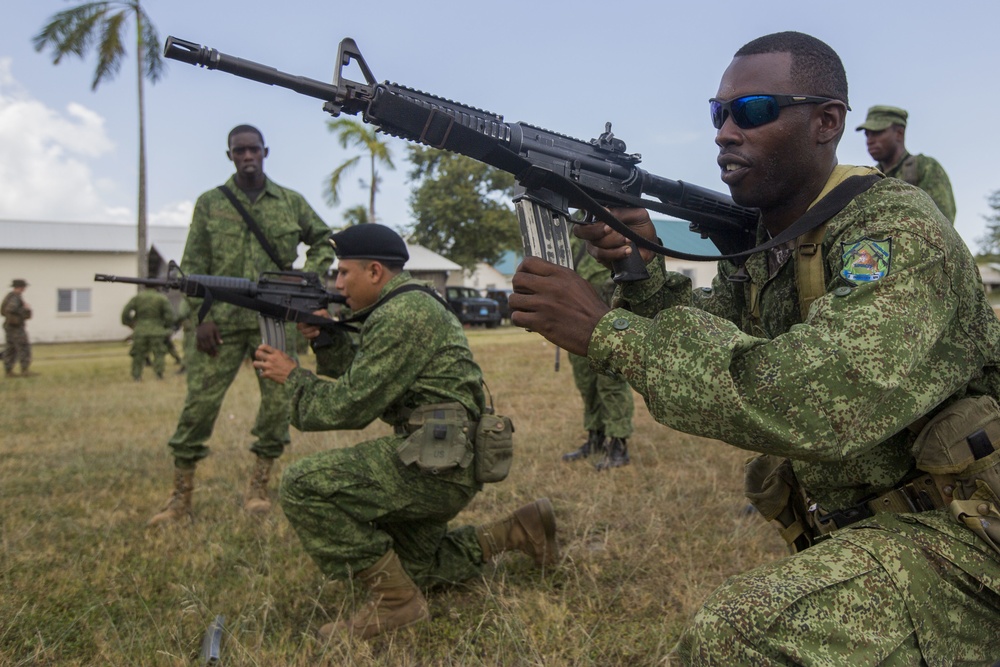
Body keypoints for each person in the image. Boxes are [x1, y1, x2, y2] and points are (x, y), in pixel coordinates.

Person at [508, 31, 1000, 664]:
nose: (724, 131)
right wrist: (639, 272)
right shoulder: (779, 246)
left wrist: (606, 332)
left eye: (755, 109)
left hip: (972, 533)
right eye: (718, 112)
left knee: (739, 635)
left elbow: (819, 402)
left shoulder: (896, 228)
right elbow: (719, 336)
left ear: (827, 122)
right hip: (894, 526)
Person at [252, 223, 559, 640]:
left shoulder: (402, 314)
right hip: (444, 457)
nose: (337, 283)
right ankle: (519, 530)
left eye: (344, 272)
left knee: (303, 484)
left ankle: (396, 604)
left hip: (437, 463)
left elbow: (353, 403)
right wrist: (326, 339)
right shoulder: (404, 305)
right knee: (417, 569)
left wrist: (292, 379)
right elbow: (371, 374)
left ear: (375, 271)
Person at [148, 124, 334, 526]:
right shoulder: (211, 203)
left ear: (265, 151)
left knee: (277, 404)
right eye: (239, 151)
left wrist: (306, 278)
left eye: (253, 150)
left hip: (274, 316)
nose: (247, 157)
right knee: (199, 405)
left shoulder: (289, 202)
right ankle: (180, 499)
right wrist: (200, 317)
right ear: (229, 156)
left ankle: (259, 488)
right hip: (220, 322)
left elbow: (324, 240)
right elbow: (194, 263)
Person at [562, 237, 634, 470]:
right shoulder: (574, 234)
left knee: (610, 384)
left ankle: (618, 445)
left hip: (610, 319)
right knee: (587, 384)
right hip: (576, 320)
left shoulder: (614, 227)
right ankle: (596, 438)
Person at [857, 105, 956, 224]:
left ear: (899, 133)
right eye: (867, 134)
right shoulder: (869, 177)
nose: (869, 140)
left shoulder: (925, 167)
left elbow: (942, 222)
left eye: (877, 133)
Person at [121, 287, 175, 381]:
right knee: (159, 353)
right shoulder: (161, 298)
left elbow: (125, 313)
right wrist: (165, 327)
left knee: (138, 354)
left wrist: (131, 324)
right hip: (157, 330)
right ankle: (159, 374)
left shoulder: (138, 298)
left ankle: (136, 376)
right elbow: (169, 316)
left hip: (140, 330)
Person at [2, 279, 34, 378]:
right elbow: (10, 309)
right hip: (15, 327)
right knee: (24, 347)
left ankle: (9, 371)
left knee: (11, 349)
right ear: (20, 287)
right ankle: (24, 370)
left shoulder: (10, 296)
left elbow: (3, 311)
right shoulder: (15, 298)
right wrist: (24, 309)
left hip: (10, 326)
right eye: (24, 287)